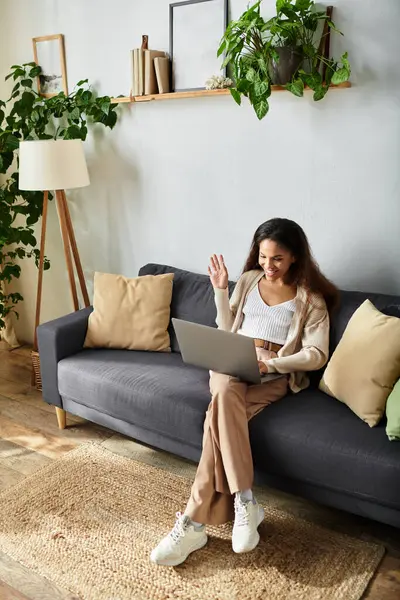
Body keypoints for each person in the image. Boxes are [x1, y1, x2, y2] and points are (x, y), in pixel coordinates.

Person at [150, 217, 339, 567]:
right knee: (222, 384)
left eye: (277, 259)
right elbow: (225, 326)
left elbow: (316, 354)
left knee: (215, 416)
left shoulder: (310, 299)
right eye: (263, 257)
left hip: (272, 374)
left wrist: (272, 365)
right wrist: (221, 289)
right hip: (232, 359)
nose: (268, 266)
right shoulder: (250, 280)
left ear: (295, 257)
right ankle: (245, 499)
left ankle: (193, 523)